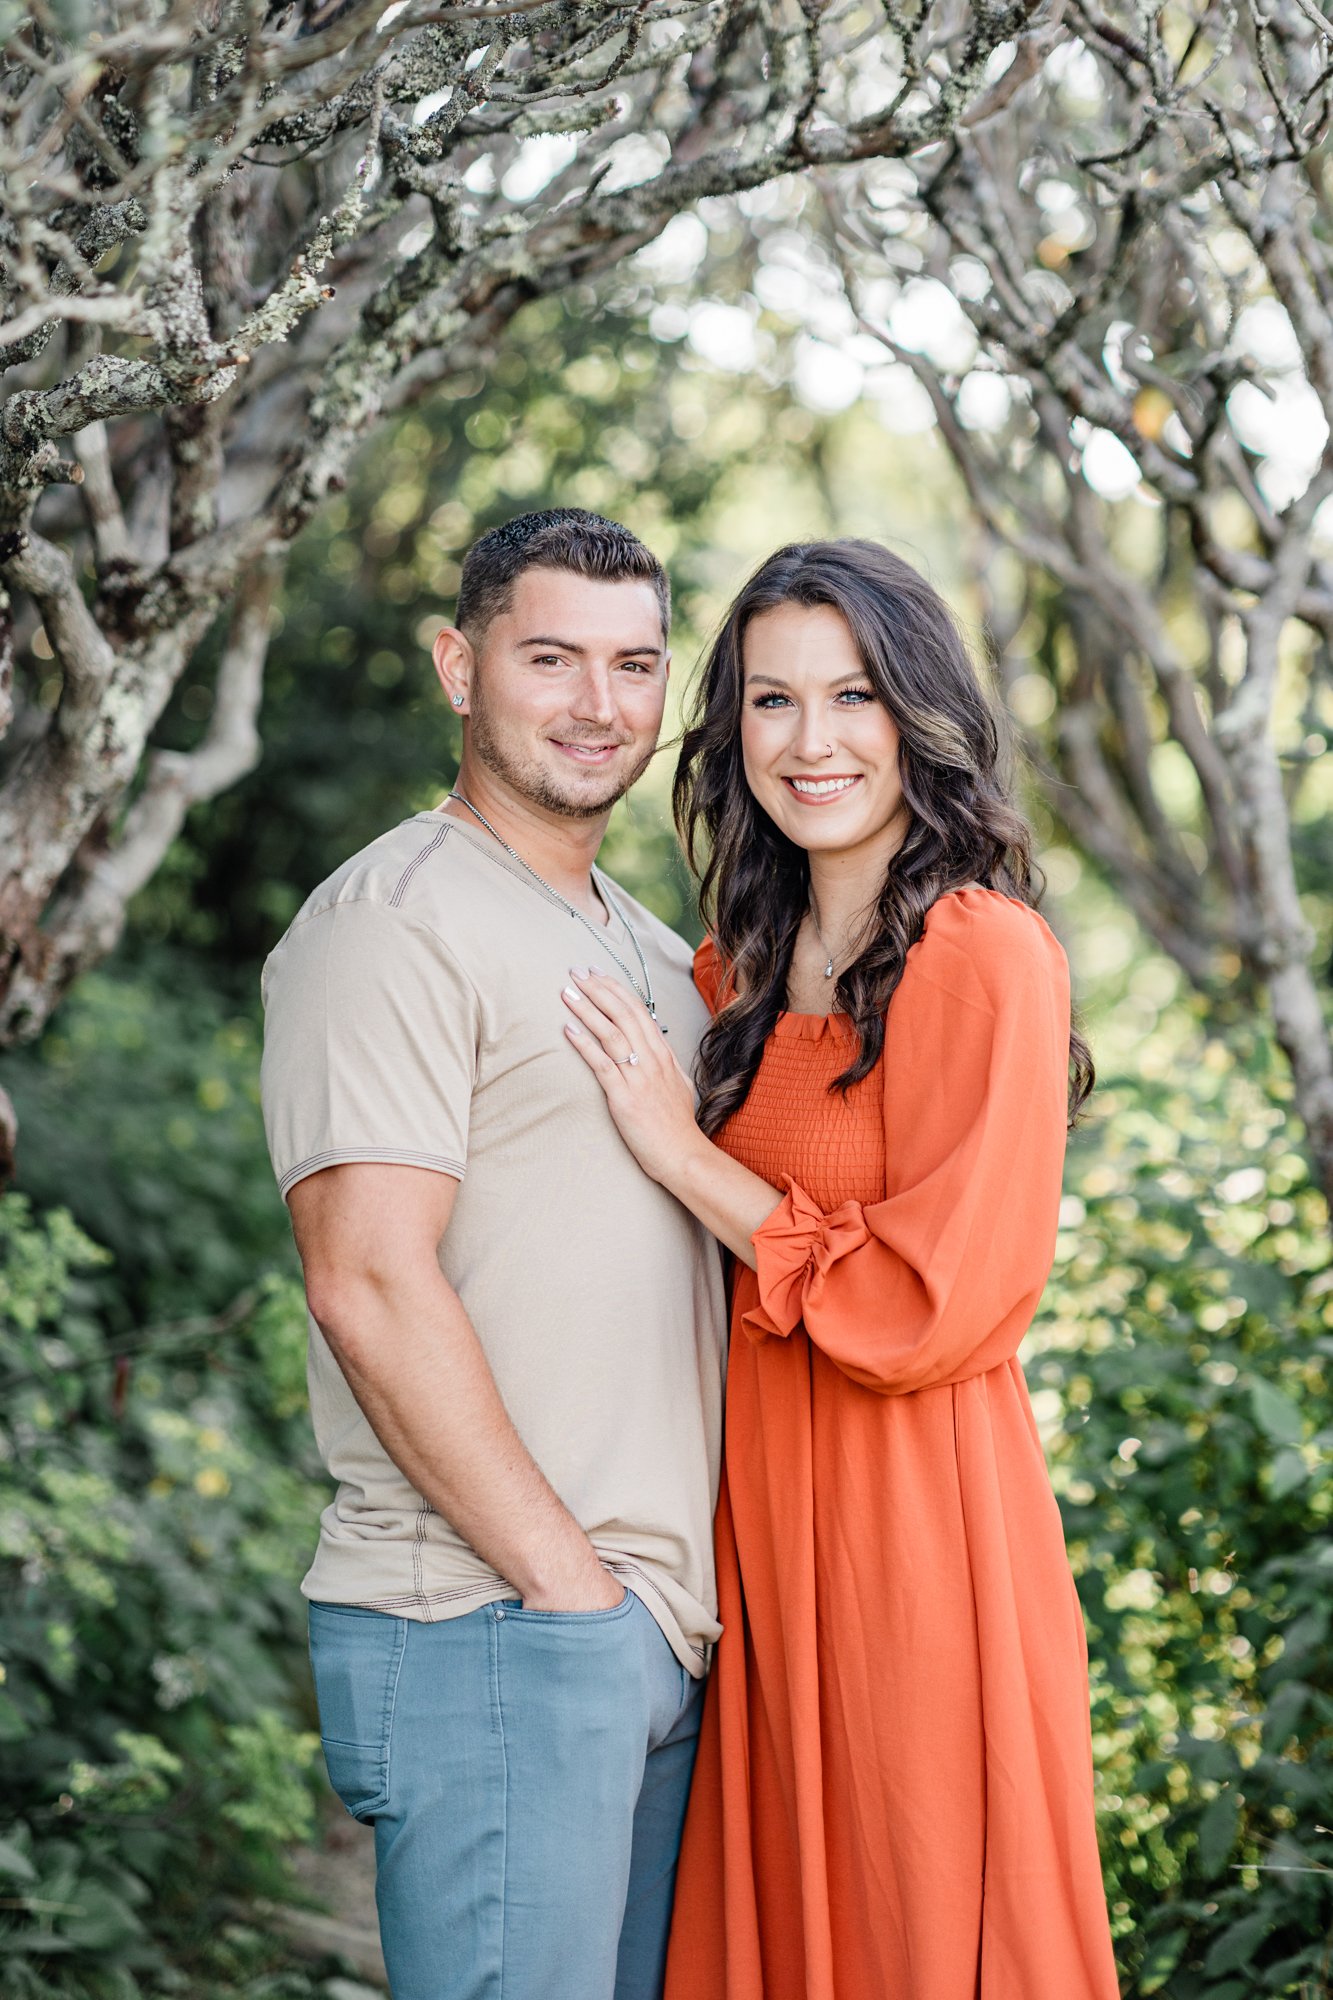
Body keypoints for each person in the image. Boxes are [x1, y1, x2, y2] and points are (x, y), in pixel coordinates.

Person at [562, 538, 1122, 2000]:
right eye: (769, 702)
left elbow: (937, 1299)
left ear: (914, 714)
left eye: (853, 697)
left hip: (915, 1528)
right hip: (754, 1526)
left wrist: (687, 1159)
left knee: (918, 1916)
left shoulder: (981, 955)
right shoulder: (735, 964)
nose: (810, 743)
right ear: (729, 727)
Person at [259, 509, 727, 2000]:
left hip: (642, 1634)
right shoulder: (394, 923)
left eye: (635, 665)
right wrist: (563, 1590)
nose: (598, 704)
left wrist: (622, 1618)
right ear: (461, 668)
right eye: (550, 659)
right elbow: (367, 1279)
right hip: (488, 1623)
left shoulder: (658, 955)